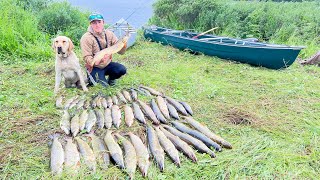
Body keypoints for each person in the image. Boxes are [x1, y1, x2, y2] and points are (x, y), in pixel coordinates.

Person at [80, 13, 127, 87]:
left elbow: (121, 52)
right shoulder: (86, 38)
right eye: (94, 23)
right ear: (90, 24)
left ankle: (111, 79)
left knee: (122, 69)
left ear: (103, 23)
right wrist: (98, 61)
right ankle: (91, 77)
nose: (97, 25)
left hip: (107, 64)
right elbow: (87, 57)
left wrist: (124, 45)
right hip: (95, 67)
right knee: (103, 87)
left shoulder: (110, 34)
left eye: (99, 22)